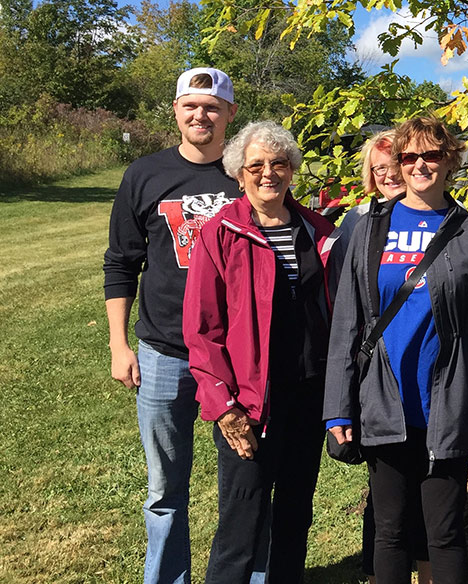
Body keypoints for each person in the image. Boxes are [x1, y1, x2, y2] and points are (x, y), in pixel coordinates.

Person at [324, 115, 468, 584]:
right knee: (390, 531)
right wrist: (337, 410)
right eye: (410, 156)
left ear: (450, 161)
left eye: (431, 155)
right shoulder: (369, 228)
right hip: (385, 400)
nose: (420, 165)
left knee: (444, 531)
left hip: (447, 400)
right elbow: (347, 323)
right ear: (398, 164)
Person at [183, 121, 339, 582]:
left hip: (308, 397)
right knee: (241, 527)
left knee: (295, 518)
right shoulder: (220, 233)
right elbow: (202, 330)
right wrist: (225, 410)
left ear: (291, 169)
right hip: (250, 405)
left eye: (278, 163)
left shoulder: (318, 230)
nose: (268, 173)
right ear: (239, 173)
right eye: (256, 165)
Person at [102, 67, 238, 584]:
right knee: (164, 488)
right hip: (164, 351)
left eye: (212, 106)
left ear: (229, 113)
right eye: (191, 105)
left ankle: (244, 571)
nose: (200, 115)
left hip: (234, 353)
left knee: (242, 480)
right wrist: (119, 344)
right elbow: (121, 261)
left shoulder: (245, 172)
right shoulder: (145, 175)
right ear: (177, 111)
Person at [332, 129, 435, 584]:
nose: (390, 176)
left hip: (426, 369)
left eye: (395, 167)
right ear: (370, 177)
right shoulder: (358, 224)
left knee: (427, 486)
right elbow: (345, 303)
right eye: (379, 171)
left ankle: (425, 565)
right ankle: (382, 571)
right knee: (386, 490)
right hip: (376, 371)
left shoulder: (436, 218)